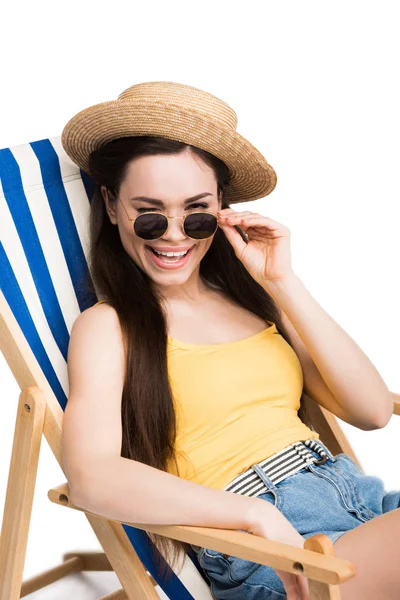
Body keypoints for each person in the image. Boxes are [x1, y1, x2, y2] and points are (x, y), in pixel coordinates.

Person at [61, 81, 399, 600]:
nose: (174, 235)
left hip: (363, 506)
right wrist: (253, 513)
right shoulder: (110, 327)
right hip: (276, 554)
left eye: (196, 212)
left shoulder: (255, 301)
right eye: (149, 214)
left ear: (223, 207)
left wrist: (284, 284)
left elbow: (373, 410)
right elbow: (91, 475)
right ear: (111, 206)